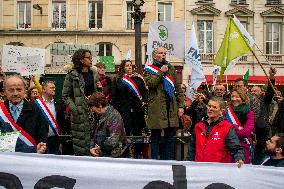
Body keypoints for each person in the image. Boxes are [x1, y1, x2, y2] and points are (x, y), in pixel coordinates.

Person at [144, 47, 184, 160]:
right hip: (156, 107)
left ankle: (169, 160)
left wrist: (181, 106)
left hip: (170, 106)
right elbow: (151, 84)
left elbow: (178, 88)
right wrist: (161, 72)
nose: (163, 55)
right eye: (161, 53)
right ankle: (155, 160)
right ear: (154, 56)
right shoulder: (148, 69)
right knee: (155, 136)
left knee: (170, 137)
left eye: (164, 53)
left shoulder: (171, 68)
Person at [62, 49, 100, 156]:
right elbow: (65, 96)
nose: (91, 59)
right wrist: (75, 109)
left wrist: (99, 90)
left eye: (91, 57)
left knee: (95, 141)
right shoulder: (72, 75)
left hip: (94, 112)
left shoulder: (93, 73)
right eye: (88, 57)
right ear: (81, 60)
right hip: (80, 113)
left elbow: (97, 92)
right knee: (81, 145)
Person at [188, 97, 244, 167]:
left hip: (218, 170)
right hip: (199, 168)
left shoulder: (227, 127)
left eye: (214, 107)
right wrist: (189, 164)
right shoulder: (198, 126)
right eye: (209, 106)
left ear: (221, 111)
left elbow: (235, 147)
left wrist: (239, 158)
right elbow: (191, 149)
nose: (210, 109)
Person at [0, 75, 47, 153]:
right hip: (6, 158)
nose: (15, 93)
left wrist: (41, 147)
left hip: (30, 158)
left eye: (19, 89)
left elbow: (42, 134)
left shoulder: (36, 109)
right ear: (4, 92)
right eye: (11, 90)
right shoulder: (1, 111)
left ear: (25, 90)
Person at [110, 59, 147, 158]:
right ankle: (125, 153)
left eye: (131, 65)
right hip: (123, 109)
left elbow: (144, 93)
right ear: (123, 68)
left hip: (137, 110)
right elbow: (113, 97)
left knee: (137, 131)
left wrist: (143, 102)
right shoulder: (118, 79)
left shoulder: (138, 79)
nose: (130, 67)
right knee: (125, 131)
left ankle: (138, 153)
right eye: (127, 65)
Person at [89, 92, 127, 158]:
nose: (92, 110)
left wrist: (98, 150)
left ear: (100, 105)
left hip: (114, 156)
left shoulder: (114, 116)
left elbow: (113, 140)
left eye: (93, 107)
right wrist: (92, 148)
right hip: (102, 154)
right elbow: (93, 135)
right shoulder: (98, 115)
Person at [34, 80, 67, 155]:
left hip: (55, 139)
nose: (54, 89)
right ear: (44, 90)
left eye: (54, 87)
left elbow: (62, 120)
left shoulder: (59, 103)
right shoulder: (35, 104)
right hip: (41, 140)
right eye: (51, 88)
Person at [228, 88, 254, 164]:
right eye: (232, 96)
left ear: (242, 98)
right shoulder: (227, 111)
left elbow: (246, 132)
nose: (234, 99)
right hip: (228, 146)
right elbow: (224, 128)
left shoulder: (249, 112)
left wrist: (231, 129)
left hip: (243, 146)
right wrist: (237, 127)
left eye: (237, 96)